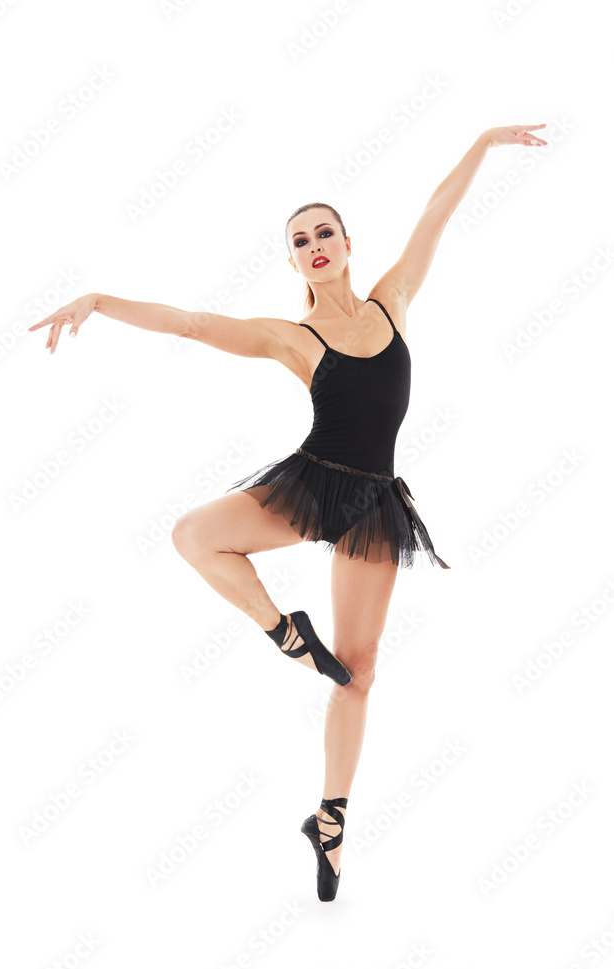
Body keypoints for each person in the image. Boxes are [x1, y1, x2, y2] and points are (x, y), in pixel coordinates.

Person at [29, 123, 548, 902]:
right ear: (292, 259)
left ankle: (330, 822)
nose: (313, 244)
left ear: (345, 242)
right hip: (312, 484)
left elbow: (437, 212)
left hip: (374, 502)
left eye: (323, 232)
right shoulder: (290, 336)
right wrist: (99, 300)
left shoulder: (392, 300)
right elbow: (193, 323)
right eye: (299, 239)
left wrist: (481, 142)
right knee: (194, 534)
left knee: (360, 672)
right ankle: (282, 631)